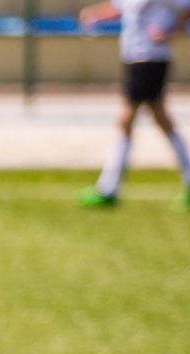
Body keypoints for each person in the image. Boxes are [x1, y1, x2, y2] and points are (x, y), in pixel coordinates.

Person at [78, 0, 190, 208]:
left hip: (149, 58)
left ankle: (108, 188)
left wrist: (173, 30)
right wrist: (93, 14)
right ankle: (109, 188)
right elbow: (119, 8)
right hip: (134, 58)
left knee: (126, 121)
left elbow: (185, 7)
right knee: (161, 121)